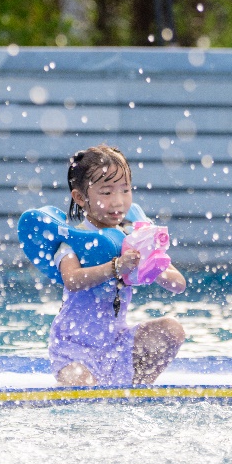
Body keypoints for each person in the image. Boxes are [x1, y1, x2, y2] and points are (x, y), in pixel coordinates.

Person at [51, 145, 186, 387]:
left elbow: (178, 285)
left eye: (125, 190)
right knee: (81, 385)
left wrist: (152, 265)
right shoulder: (74, 241)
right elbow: (72, 279)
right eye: (106, 192)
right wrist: (115, 267)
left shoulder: (132, 237)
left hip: (116, 343)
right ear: (80, 198)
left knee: (172, 330)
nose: (118, 201)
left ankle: (135, 388)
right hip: (74, 349)